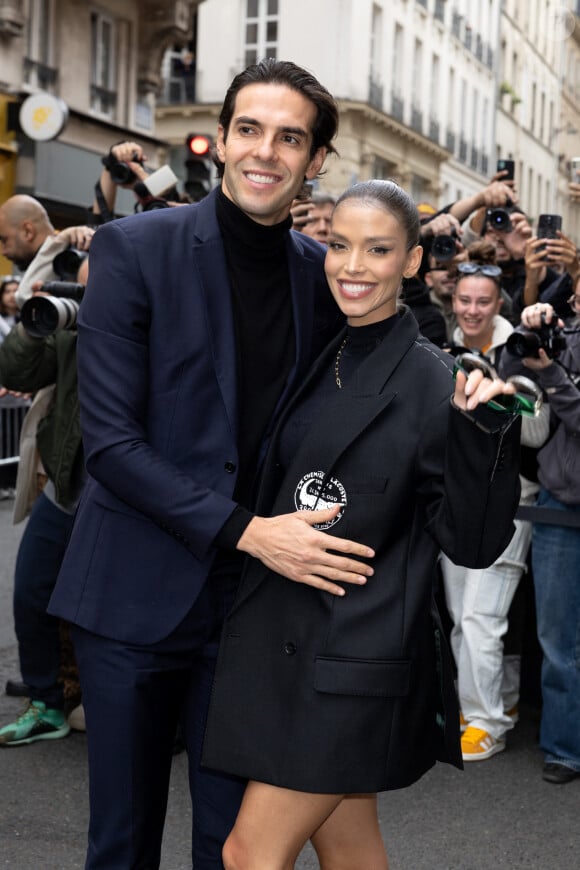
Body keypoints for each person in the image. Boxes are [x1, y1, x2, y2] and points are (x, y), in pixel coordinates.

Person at [47, 59, 374, 869]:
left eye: (290, 137)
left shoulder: (319, 275)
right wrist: (250, 533)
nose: (267, 152)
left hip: (253, 616)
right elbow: (114, 445)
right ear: (222, 140)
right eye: (251, 130)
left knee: (233, 851)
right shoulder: (135, 249)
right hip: (129, 596)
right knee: (121, 845)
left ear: (316, 160)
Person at [201, 180, 522, 869]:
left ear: (410, 262)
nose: (352, 265)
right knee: (348, 846)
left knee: (248, 853)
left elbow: (472, 542)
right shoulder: (323, 352)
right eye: (339, 245)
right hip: (285, 641)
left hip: (351, 659)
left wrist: (481, 439)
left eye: (377, 250)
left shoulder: (435, 380)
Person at [440, 241, 549, 761]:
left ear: (498, 303)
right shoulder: (439, 346)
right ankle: (484, 707)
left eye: (482, 300)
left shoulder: (519, 347)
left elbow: (538, 433)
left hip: (510, 502)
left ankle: (486, 722)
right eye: (464, 299)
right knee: (465, 616)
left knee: (484, 617)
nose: (472, 309)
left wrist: (507, 395)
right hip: (453, 497)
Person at [0, 255, 90, 746]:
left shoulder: (160, 324)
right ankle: (45, 703)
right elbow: (15, 369)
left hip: (124, 496)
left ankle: (117, 705)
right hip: (65, 484)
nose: (86, 302)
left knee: (108, 609)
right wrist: (33, 324)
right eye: (79, 291)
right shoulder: (71, 332)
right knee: (32, 593)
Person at [500, 295, 580, 784]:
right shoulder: (561, 337)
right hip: (555, 503)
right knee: (556, 638)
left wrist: (552, 375)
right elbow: (512, 387)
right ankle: (565, 747)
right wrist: (528, 335)